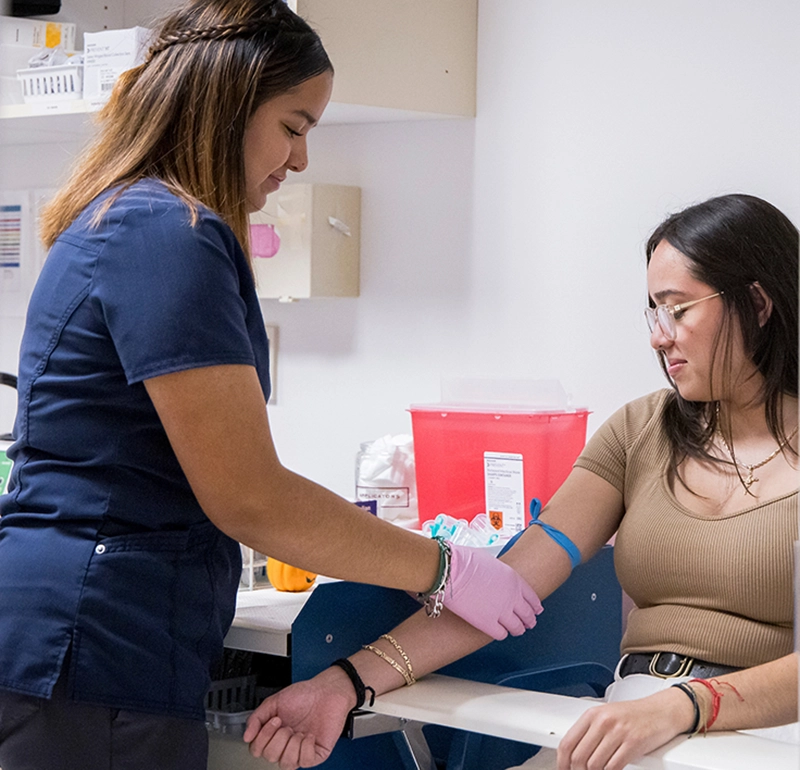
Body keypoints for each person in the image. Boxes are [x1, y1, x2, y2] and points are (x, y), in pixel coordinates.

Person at [0, 2, 541, 768]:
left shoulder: (124, 218)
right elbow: (250, 496)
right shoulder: (164, 233)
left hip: (87, 645)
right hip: (96, 646)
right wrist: (447, 569)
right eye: (294, 126)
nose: (300, 160)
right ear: (225, 104)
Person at [244, 192, 799, 770]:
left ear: (756, 303)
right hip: (632, 718)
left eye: (679, 309)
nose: (659, 337)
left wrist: (686, 704)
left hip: (764, 731)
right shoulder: (640, 432)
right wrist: (345, 682)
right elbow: (506, 589)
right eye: (653, 312)